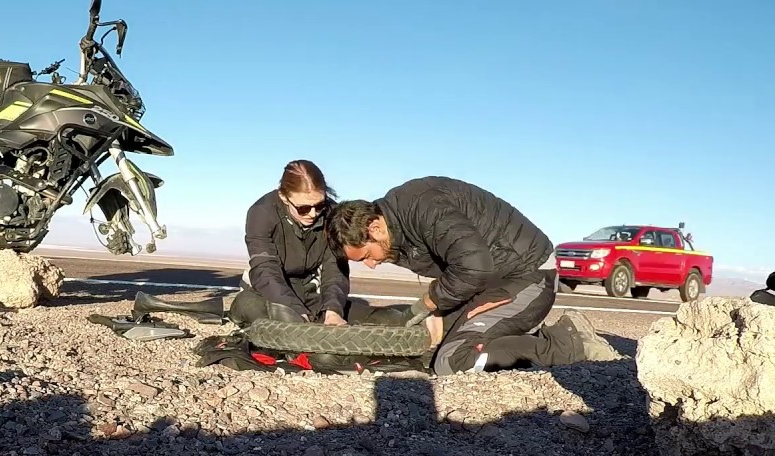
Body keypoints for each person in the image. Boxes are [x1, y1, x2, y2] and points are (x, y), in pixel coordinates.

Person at [325, 175, 620, 375]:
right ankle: (508, 334)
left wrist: (430, 305)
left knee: (453, 361)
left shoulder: (422, 207)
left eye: (366, 256)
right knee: (426, 348)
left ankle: (569, 344)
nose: (371, 265)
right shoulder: (397, 225)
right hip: (488, 281)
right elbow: (457, 269)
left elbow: (475, 266)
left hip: (528, 276)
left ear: (375, 228)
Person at [229, 160, 353, 327]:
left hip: (312, 290)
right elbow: (265, 268)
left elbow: (335, 267)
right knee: (252, 308)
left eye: (319, 205)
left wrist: (333, 311)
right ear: (283, 196)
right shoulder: (261, 213)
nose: (313, 214)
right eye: (303, 208)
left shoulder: (332, 214)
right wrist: (294, 312)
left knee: (374, 319)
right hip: (270, 290)